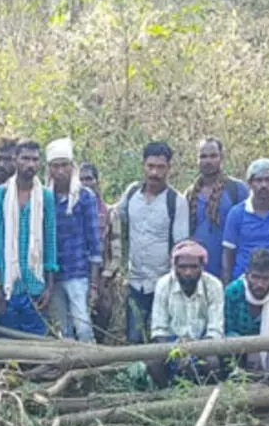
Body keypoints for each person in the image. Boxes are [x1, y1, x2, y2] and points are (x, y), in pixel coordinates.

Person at [118, 141, 189, 343]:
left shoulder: (176, 201)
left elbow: (181, 247)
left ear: (169, 169)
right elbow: (114, 218)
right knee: (134, 338)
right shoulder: (131, 194)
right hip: (135, 282)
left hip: (164, 283)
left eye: (160, 167)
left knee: (162, 338)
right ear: (143, 166)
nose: (155, 173)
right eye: (150, 166)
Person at [0, 140, 57, 336]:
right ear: (15, 160)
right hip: (7, 285)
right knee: (7, 344)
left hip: (35, 284)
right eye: (25, 158)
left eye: (35, 160)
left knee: (34, 343)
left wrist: (49, 288)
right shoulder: (0, 196)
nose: (30, 164)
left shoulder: (45, 197)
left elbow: (50, 242)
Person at [45, 138, 101, 342]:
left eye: (64, 165)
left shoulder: (84, 197)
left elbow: (94, 242)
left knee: (83, 326)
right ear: (49, 169)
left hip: (77, 272)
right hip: (53, 273)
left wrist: (94, 284)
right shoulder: (44, 198)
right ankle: (69, 370)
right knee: (62, 330)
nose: (60, 171)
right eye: (55, 166)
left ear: (72, 167)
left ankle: (92, 369)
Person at [148, 240, 224, 385]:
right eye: (183, 267)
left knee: (212, 363)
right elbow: (159, 330)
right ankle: (166, 395)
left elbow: (215, 330)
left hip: (203, 342)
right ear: (174, 266)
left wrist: (194, 349)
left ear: (202, 266)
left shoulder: (214, 285)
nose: (188, 272)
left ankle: (205, 395)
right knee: (153, 364)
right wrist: (176, 352)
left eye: (193, 267)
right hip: (171, 342)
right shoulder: (164, 284)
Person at [223, 248, 269, 378]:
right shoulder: (233, 292)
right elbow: (228, 330)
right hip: (237, 352)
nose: (260, 284)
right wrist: (250, 348)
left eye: (266, 279)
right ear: (247, 275)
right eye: (255, 277)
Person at [186, 138, 248, 274]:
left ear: (221, 158)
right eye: (203, 156)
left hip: (230, 268)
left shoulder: (236, 189)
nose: (208, 161)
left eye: (213, 156)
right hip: (196, 271)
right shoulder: (190, 194)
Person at [79, 162, 124, 343]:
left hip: (103, 277)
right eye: (81, 179)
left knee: (102, 310)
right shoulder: (70, 209)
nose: (85, 183)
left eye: (89, 178)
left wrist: (103, 278)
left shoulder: (110, 213)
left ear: (97, 181)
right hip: (77, 274)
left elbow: (117, 253)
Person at [220, 159, 269, 283]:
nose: (263, 185)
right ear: (250, 183)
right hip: (242, 279)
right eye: (258, 180)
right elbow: (228, 254)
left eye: (268, 180)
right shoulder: (236, 213)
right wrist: (227, 284)